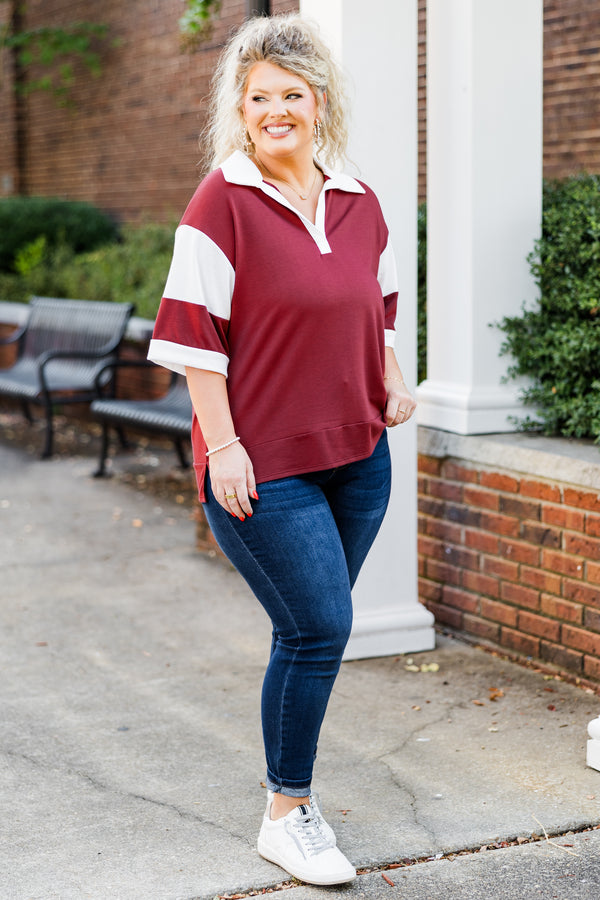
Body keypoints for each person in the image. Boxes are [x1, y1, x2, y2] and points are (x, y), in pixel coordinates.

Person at [148, 12, 416, 887]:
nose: (274, 112)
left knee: (307, 634)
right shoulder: (219, 203)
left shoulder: (358, 197)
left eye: (289, 96)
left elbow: (374, 310)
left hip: (358, 459)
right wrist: (222, 446)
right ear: (241, 106)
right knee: (320, 627)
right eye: (257, 98)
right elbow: (194, 343)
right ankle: (287, 813)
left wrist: (393, 376)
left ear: (318, 100)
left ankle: (292, 795)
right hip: (262, 464)